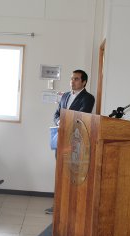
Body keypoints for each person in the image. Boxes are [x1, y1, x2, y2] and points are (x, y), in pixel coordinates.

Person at [46, 69, 96, 214]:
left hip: (76, 141)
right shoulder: (65, 96)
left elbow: (81, 116)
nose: (72, 81)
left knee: (73, 173)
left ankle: (72, 206)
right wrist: (59, 119)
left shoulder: (88, 98)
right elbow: (56, 113)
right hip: (61, 139)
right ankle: (57, 206)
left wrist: (65, 120)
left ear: (84, 82)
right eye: (71, 78)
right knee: (60, 172)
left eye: (76, 79)